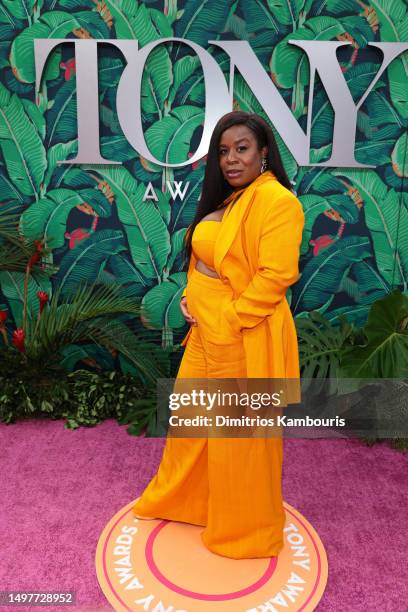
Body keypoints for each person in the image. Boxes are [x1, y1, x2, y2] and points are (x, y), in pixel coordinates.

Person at [133, 111, 305, 560]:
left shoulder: (277, 201)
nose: (231, 159)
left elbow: (275, 275)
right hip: (205, 331)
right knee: (190, 427)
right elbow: (209, 262)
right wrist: (192, 299)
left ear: (264, 152)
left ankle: (245, 532)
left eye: (242, 148)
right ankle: (186, 503)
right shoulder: (231, 199)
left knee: (239, 445)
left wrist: (229, 320)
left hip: (241, 336)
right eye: (224, 151)